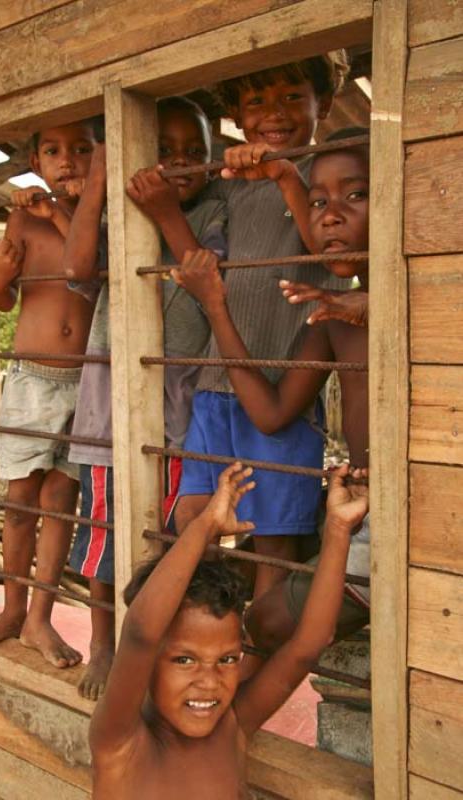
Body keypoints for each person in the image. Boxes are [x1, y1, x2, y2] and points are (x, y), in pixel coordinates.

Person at [173, 129, 371, 652]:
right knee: (268, 613)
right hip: (367, 511)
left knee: (276, 609)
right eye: (318, 202)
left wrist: (377, 304)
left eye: (356, 195)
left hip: (426, 512)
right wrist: (217, 305)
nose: (331, 216)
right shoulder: (330, 317)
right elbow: (270, 413)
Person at [62, 96, 226, 700]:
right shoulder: (114, 216)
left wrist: (161, 208)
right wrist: (103, 172)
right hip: (110, 412)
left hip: (181, 416)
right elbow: (78, 266)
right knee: (104, 536)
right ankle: (105, 642)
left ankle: (160, 641)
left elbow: (200, 271)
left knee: (169, 538)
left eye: (194, 153)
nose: (179, 164)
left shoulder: (215, 211)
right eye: (164, 152)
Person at [89, 461, 368, 798]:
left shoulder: (233, 725)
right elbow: (141, 632)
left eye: (227, 660)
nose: (209, 682)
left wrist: (338, 528)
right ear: (146, 661)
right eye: (184, 661)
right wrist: (205, 525)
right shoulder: (120, 743)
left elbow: (310, 644)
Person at [0, 120, 101, 667]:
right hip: (34, 380)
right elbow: (1, 299)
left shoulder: (99, 219)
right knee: (19, 503)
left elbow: (90, 265)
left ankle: (40, 620)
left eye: (82, 150)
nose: (67, 160)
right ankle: (11, 608)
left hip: (87, 381)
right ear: (36, 162)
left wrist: (61, 213)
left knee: (59, 503)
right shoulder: (21, 215)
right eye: (53, 151)